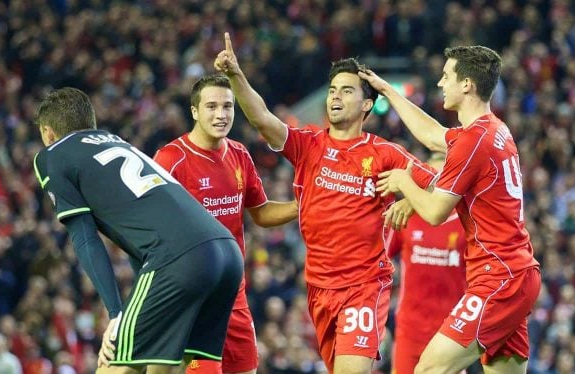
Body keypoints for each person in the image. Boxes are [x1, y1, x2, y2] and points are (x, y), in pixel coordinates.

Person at [214, 32, 438, 373]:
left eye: (346, 91)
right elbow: (262, 118)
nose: (335, 96)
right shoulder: (309, 145)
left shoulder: (384, 153)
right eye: (333, 90)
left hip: (363, 287)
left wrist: (409, 199)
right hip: (318, 287)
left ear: (366, 105)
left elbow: (440, 185)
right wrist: (236, 75)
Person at [32, 87, 243, 374]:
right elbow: (142, 235)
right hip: (226, 254)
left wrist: (117, 313)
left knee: (116, 365)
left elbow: (84, 238)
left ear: (47, 133)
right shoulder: (117, 142)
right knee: (191, 363)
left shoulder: (52, 155)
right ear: (89, 123)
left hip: (178, 259)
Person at [360, 46, 541, 373]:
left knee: (428, 370)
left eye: (447, 76)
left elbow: (434, 213)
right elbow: (432, 136)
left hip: (498, 278)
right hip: (517, 274)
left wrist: (404, 180)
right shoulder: (494, 129)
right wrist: (389, 91)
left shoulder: (474, 141)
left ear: (467, 84)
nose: (441, 83)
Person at [153, 74, 298, 374]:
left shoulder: (239, 154)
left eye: (227, 106)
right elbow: (152, 231)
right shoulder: (171, 160)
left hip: (234, 293)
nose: (221, 115)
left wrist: (303, 205)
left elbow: (261, 212)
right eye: (211, 106)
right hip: (196, 298)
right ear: (194, 111)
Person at [386, 153, 467, 374]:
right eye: (429, 182)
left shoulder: (466, 223)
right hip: (409, 330)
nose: (434, 189)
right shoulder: (406, 217)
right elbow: (379, 261)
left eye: (441, 182)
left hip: (450, 335)